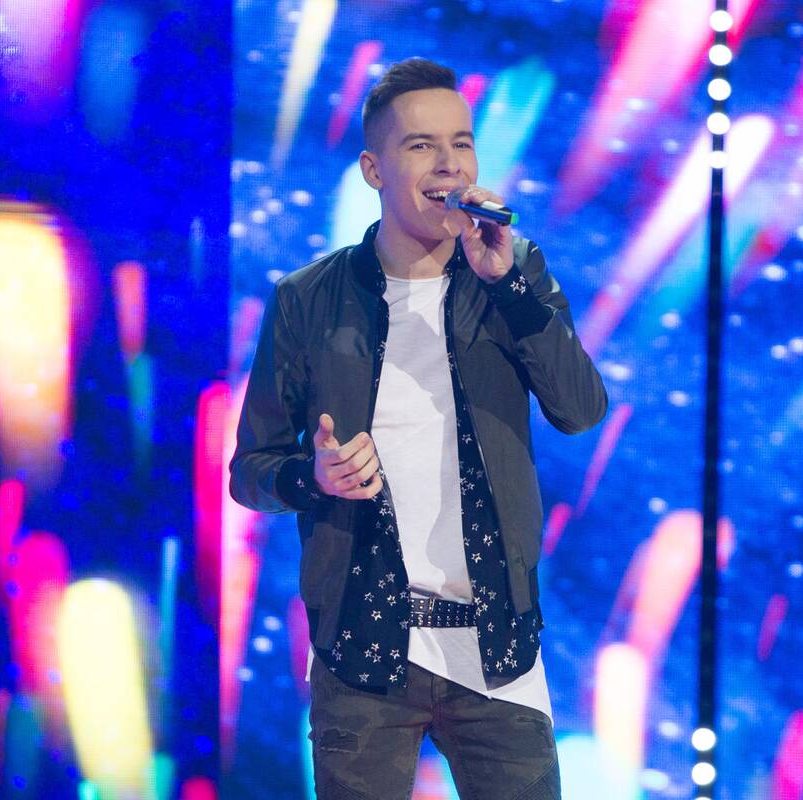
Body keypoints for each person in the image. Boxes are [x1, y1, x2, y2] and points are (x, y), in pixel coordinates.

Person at [229, 57, 608, 800]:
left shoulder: (515, 272)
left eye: (461, 143)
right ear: (374, 169)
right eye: (421, 145)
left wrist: (509, 287)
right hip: (363, 653)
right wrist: (314, 476)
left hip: (496, 648)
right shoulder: (308, 299)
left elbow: (581, 409)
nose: (449, 163)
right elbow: (251, 470)